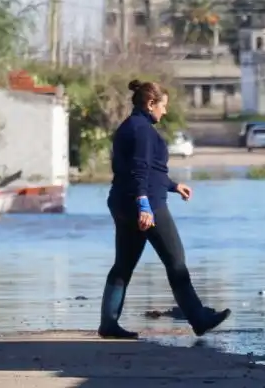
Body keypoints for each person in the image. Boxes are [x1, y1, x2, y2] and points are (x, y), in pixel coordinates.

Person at [97, 80, 230, 340]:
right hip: (147, 205)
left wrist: (173, 186)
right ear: (150, 104)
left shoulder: (129, 126)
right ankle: (199, 319)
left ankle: (108, 323)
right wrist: (144, 204)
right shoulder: (143, 130)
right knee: (175, 260)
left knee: (123, 265)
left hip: (122, 202)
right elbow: (140, 170)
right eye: (163, 106)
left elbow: (149, 171)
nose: (165, 111)